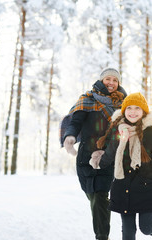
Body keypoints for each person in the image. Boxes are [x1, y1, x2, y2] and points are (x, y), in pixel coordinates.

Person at [89, 92, 152, 240]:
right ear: (124, 110)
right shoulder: (117, 131)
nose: (132, 112)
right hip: (123, 187)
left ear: (144, 111)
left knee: (146, 228)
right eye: (129, 108)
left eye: (137, 108)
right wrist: (97, 164)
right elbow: (111, 152)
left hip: (146, 188)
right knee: (128, 232)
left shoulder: (151, 133)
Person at [61, 67, 127, 240]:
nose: (111, 83)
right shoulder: (87, 100)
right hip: (86, 156)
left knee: (100, 196)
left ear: (118, 83)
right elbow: (75, 122)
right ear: (101, 81)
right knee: (92, 195)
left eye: (115, 80)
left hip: (108, 155)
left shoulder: (124, 104)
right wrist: (70, 136)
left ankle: (102, 236)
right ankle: (101, 230)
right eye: (108, 79)